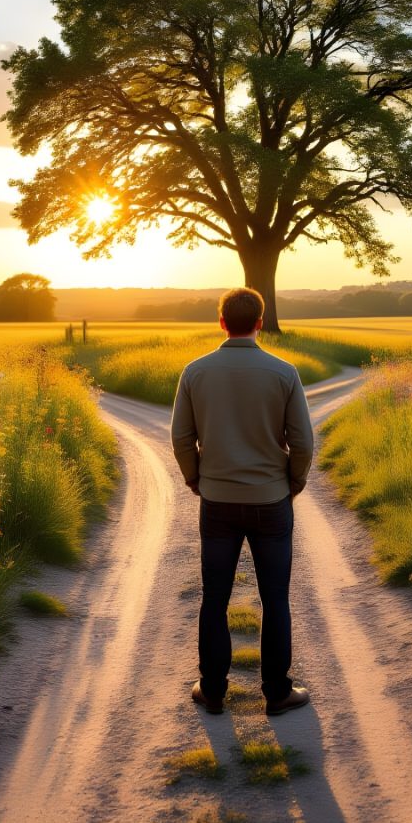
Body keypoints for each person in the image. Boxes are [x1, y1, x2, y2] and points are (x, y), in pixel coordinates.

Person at [170, 287, 314, 717]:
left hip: (216, 501)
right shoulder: (284, 372)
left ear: (221, 322)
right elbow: (303, 441)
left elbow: (181, 437)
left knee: (214, 597)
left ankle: (212, 690)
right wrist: (295, 480)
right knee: (275, 598)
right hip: (271, 500)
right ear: (258, 322)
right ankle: (277, 692)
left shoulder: (194, 372)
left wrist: (195, 477)